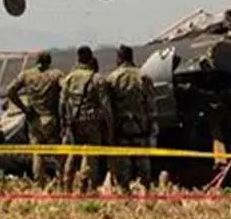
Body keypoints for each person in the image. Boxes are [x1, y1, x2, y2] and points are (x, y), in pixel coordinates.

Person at [103, 45, 158, 188]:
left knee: (123, 166)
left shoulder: (112, 78)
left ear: (119, 58)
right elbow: (151, 104)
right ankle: (145, 191)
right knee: (143, 164)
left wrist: (109, 130)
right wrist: (152, 126)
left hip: (121, 128)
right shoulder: (144, 77)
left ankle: (125, 191)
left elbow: (107, 107)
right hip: (141, 128)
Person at [60, 45, 114, 192]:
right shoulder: (97, 79)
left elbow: (62, 103)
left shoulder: (69, 78)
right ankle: (87, 187)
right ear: (91, 59)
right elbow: (105, 106)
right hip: (92, 122)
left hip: (73, 121)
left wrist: (64, 124)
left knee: (73, 154)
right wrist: (110, 126)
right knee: (91, 155)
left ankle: (67, 186)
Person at [5, 51, 65, 182]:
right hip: (51, 118)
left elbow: (10, 90)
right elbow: (66, 88)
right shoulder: (55, 74)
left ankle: (39, 183)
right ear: (49, 61)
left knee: (37, 154)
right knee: (58, 152)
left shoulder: (26, 75)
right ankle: (62, 181)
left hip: (33, 119)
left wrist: (24, 108)